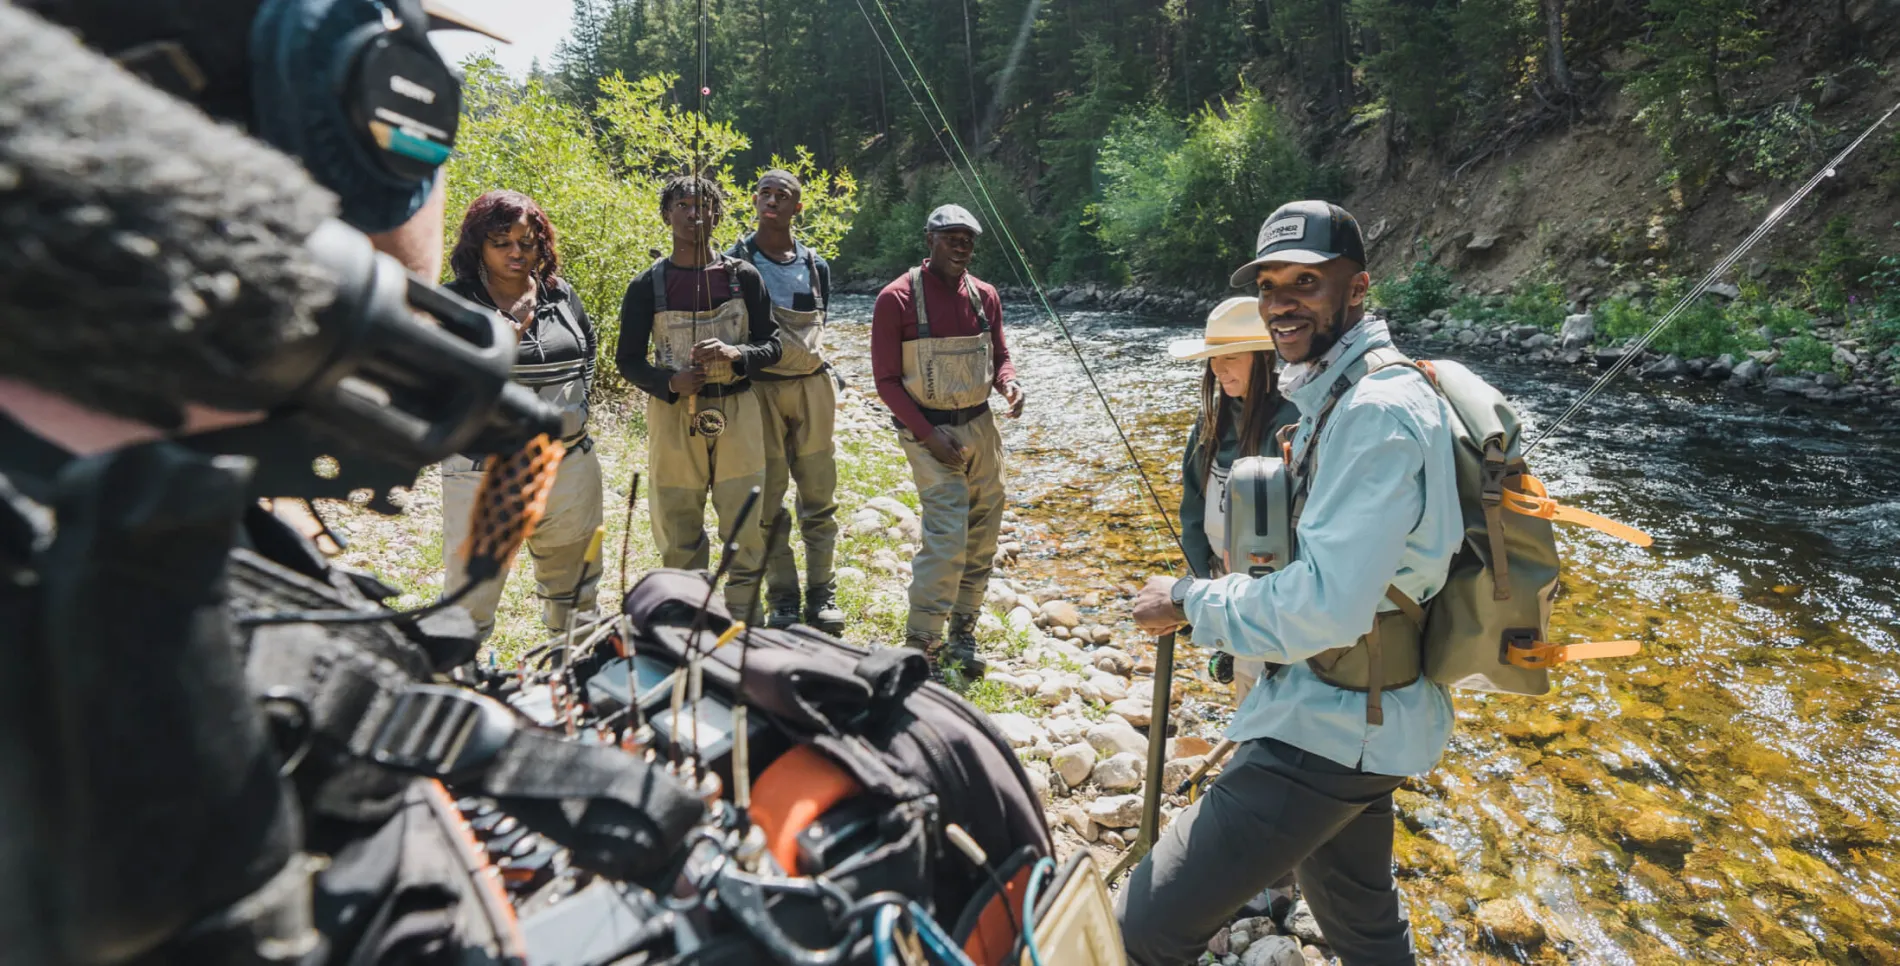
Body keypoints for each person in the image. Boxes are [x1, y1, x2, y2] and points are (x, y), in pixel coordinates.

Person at [1122, 200, 1462, 966]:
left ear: (1358, 287)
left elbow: (1326, 607)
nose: (1282, 300)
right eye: (1270, 283)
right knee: (1363, 928)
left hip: (1330, 728)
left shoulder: (1374, 411)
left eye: (1306, 281)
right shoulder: (1338, 394)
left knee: (1138, 929)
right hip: (1363, 714)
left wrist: (1188, 601)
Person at [870, 203, 1025, 681]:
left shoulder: (985, 296)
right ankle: (922, 643)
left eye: (968, 239)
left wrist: (1009, 383)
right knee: (946, 535)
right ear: (929, 240)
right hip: (927, 431)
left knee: (983, 532)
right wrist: (927, 434)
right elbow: (886, 382)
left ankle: (962, 632)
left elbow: (1000, 355)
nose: (961, 246)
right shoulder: (895, 299)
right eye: (951, 237)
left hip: (981, 427)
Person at [441, 190, 605, 641]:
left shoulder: (559, 293)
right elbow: (439, 389)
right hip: (484, 473)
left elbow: (587, 353)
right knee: (469, 599)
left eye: (528, 242)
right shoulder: (456, 304)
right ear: (478, 246)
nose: (517, 252)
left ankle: (572, 686)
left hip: (569, 466)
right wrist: (498, 357)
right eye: (502, 242)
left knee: (576, 594)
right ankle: (460, 692)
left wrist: (574, 411)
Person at [616, 175, 781, 619]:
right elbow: (627, 360)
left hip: (738, 407)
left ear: (719, 214)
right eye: (684, 205)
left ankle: (745, 630)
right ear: (666, 213)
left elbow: (773, 345)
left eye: (705, 205)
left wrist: (738, 353)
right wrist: (668, 383)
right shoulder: (645, 286)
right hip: (673, 415)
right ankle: (685, 627)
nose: (695, 214)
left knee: (745, 525)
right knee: (678, 525)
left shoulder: (744, 277)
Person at [728, 170, 846, 634]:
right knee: (769, 499)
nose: (772, 201)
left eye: (784, 196)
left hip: (813, 389)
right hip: (760, 391)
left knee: (820, 496)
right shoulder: (736, 260)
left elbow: (823, 320)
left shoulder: (816, 264)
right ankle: (783, 596)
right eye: (765, 193)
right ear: (754, 201)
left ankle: (823, 593)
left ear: (798, 208)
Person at [1169, 296, 1300, 707]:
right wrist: (1197, 592)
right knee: (1249, 694)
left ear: (1264, 358)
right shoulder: (1208, 423)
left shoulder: (1296, 422)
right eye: (1213, 358)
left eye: (1230, 357)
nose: (1217, 369)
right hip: (1223, 588)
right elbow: (1191, 513)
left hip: (1278, 599)